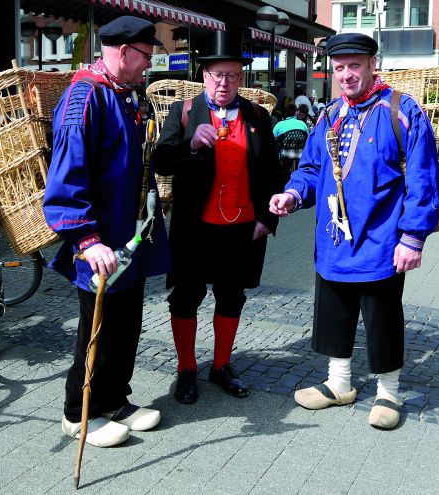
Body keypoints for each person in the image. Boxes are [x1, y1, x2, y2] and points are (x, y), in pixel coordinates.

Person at [269, 32, 439, 430]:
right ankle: (339, 383)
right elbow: (312, 168)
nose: (346, 75)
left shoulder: (401, 111)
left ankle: (389, 391)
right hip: (335, 239)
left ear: (371, 65)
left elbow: (422, 177)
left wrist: (412, 237)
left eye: (354, 66)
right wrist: (293, 194)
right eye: (339, 67)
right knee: (334, 308)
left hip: (382, 239)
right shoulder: (329, 115)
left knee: (381, 314)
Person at [43, 16, 171, 447]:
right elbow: (66, 177)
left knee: (127, 321)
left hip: (129, 236)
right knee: (96, 327)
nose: (147, 66)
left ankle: (114, 399)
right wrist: (86, 238)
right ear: (121, 52)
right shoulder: (84, 97)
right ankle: (78, 414)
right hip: (98, 240)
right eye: (145, 57)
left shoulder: (126, 96)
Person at [153, 30, 284, 405]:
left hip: (242, 229)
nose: (224, 82)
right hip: (195, 229)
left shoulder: (258, 116)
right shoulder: (185, 112)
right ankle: (186, 369)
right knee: (186, 297)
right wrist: (191, 144)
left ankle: (222, 365)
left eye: (232, 75)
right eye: (216, 75)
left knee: (231, 297)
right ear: (204, 76)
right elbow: (161, 159)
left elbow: (274, 174)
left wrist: (266, 219)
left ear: (241, 78)